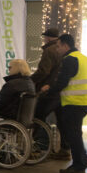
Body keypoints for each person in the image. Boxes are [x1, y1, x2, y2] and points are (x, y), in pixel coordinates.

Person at [42, 34, 87, 173]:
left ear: (65, 46)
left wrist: (48, 90)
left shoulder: (69, 59)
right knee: (75, 133)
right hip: (84, 101)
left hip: (74, 102)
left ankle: (79, 167)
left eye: (58, 46)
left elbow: (62, 82)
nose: (57, 49)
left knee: (73, 135)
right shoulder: (83, 58)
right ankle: (83, 160)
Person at [31, 27, 70, 159]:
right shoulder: (63, 51)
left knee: (38, 117)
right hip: (61, 92)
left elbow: (43, 71)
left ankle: (37, 147)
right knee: (61, 121)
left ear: (47, 37)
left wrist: (30, 81)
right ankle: (65, 150)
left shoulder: (49, 50)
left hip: (49, 92)